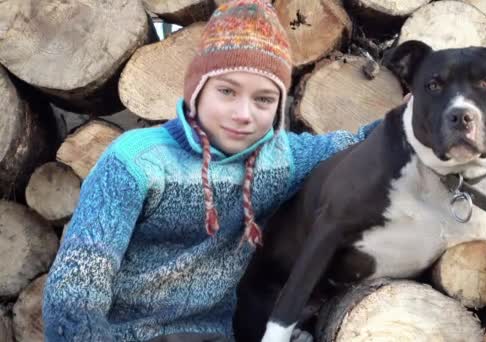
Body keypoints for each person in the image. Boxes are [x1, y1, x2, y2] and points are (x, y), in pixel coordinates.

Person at [42, 0, 381, 341]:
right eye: (227, 91)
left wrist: (418, 113)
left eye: (263, 99)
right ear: (196, 90)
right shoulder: (136, 161)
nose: (243, 113)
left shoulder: (281, 159)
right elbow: (78, 283)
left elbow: (360, 144)